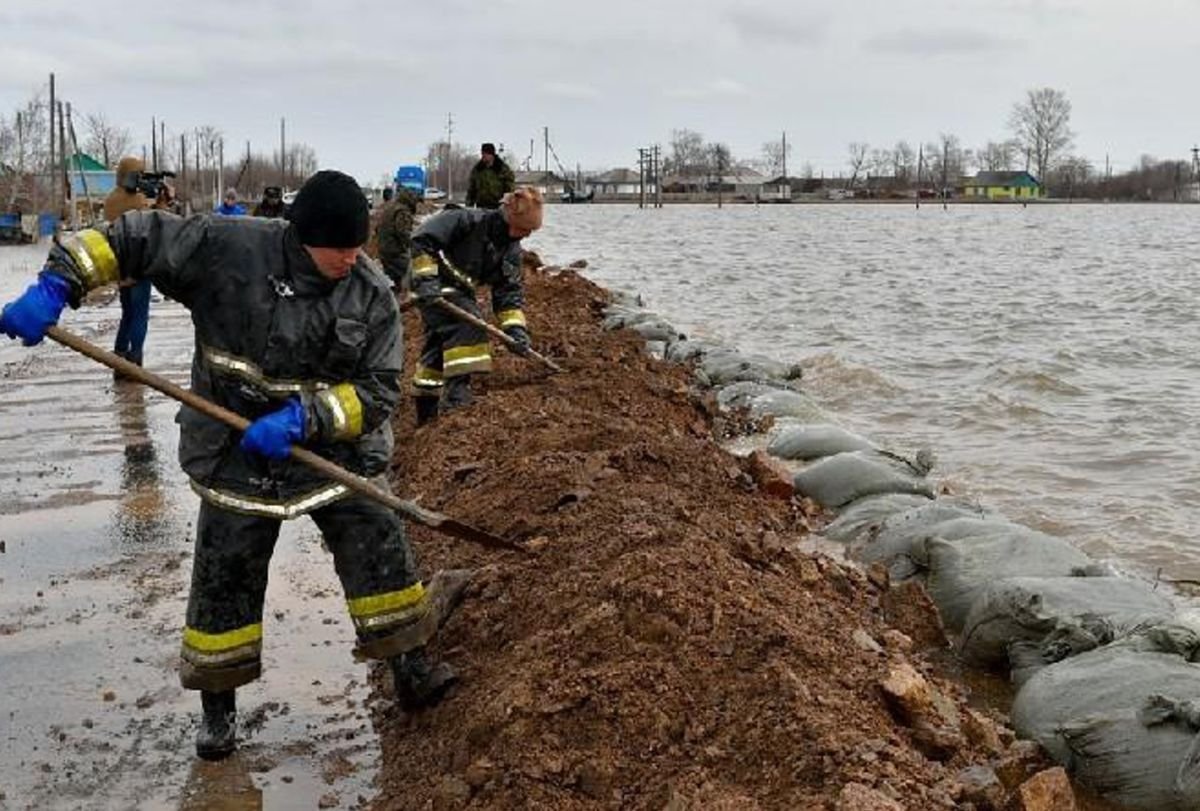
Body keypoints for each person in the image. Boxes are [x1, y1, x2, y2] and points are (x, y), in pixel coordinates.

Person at [0, 169, 467, 761]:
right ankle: (218, 712)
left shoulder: (370, 293)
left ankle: (412, 667)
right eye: (339, 249)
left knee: (380, 551)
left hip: (328, 452)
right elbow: (130, 237)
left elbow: (378, 391)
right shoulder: (227, 248)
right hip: (231, 443)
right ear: (301, 237)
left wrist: (308, 420)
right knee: (224, 579)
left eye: (358, 247)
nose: (352, 258)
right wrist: (56, 286)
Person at [408, 185, 543, 423]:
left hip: (459, 291)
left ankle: (426, 413)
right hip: (432, 286)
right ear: (509, 216)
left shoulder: (510, 249)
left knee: (439, 346)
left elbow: (508, 292)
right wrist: (426, 280)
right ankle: (456, 403)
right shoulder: (466, 220)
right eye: (525, 229)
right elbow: (421, 240)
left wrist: (515, 331)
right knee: (470, 328)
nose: (527, 235)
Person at [104, 156, 153, 374]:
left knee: (127, 313)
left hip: (119, 265)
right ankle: (135, 361)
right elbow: (155, 224)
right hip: (139, 265)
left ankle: (119, 359)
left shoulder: (111, 199)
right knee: (140, 315)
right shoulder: (138, 201)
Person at [373, 184, 421, 289]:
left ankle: (398, 294)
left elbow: (377, 229)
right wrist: (415, 247)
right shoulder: (403, 211)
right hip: (394, 252)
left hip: (384, 250)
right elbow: (403, 233)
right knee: (422, 268)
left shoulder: (391, 207)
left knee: (396, 279)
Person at [465, 143, 514, 209]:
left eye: (485, 154)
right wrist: (469, 206)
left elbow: (509, 188)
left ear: (491, 155)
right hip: (481, 206)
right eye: (482, 154)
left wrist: (505, 203)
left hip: (498, 206)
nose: (483, 156)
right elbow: (471, 189)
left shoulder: (502, 169)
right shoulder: (478, 169)